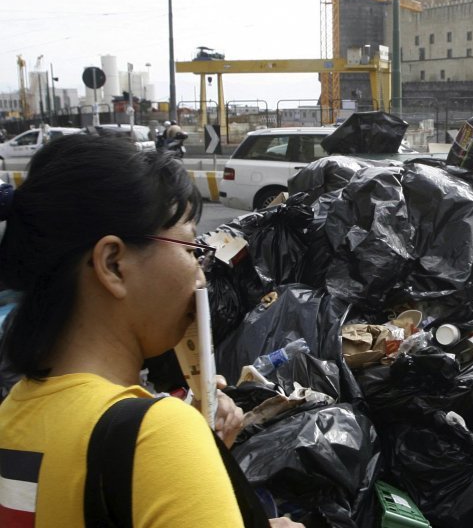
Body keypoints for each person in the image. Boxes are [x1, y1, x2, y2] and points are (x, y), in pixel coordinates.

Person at [0, 135, 301, 527]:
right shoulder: (158, 435)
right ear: (113, 265)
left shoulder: (13, 413)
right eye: (193, 250)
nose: (200, 277)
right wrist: (186, 448)